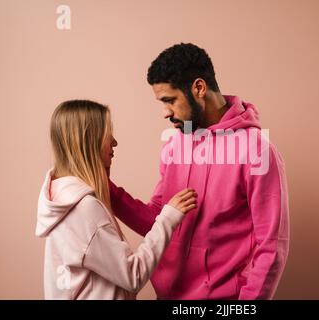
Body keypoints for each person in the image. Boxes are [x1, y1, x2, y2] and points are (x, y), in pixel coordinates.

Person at [110, 43, 290, 299]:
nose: (165, 112)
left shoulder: (257, 151)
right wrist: (103, 188)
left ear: (198, 88)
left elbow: (272, 245)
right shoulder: (176, 143)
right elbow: (157, 219)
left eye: (169, 100)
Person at [36, 100, 197, 299]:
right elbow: (133, 276)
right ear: (89, 140)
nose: (114, 142)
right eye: (107, 133)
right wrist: (168, 219)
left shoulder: (63, 197)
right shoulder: (83, 208)